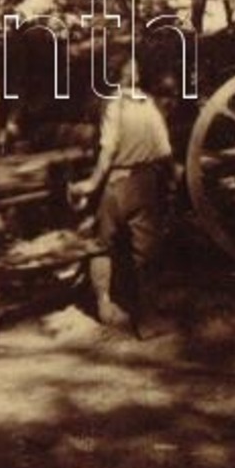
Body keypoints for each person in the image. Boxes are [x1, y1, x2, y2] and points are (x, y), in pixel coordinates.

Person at [70, 76, 174, 337]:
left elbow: (107, 150)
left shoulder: (112, 105)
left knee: (101, 245)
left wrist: (92, 184)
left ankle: (104, 306)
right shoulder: (147, 104)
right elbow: (164, 150)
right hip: (143, 183)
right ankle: (148, 321)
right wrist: (171, 181)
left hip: (114, 184)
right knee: (145, 253)